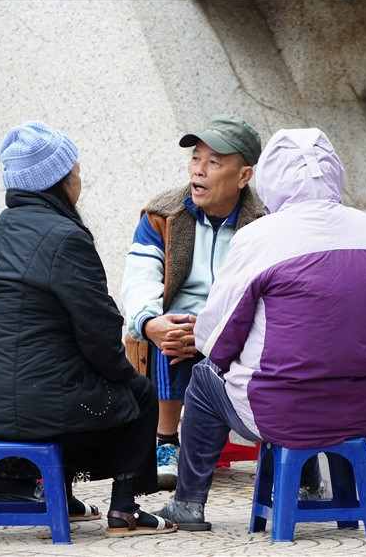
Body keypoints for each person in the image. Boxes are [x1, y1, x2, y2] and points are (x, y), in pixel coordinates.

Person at [156, 128, 366, 531]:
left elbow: (215, 342)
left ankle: (188, 504)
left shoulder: (260, 237)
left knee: (203, 378)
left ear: (267, 176)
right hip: (358, 410)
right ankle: (311, 489)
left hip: (278, 413)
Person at [0, 121, 175, 537]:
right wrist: (124, 375)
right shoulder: (64, 237)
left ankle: (63, 498)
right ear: (55, 181)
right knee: (139, 394)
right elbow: (98, 328)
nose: (79, 178)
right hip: (39, 407)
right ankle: (125, 511)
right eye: (73, 170)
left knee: (64, 380)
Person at [120, 114, 266, 489]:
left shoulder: (264, 222)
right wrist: (148, 322)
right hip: (181, 329)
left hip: (237, 327)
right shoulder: (163, 213)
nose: (198, 171)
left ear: (244, 175)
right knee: (173, 327)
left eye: (214, 162)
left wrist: (211, 329)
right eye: (195, 159)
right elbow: (139, 278)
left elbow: (266, 292)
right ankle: (166, 442)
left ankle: (267, 434)